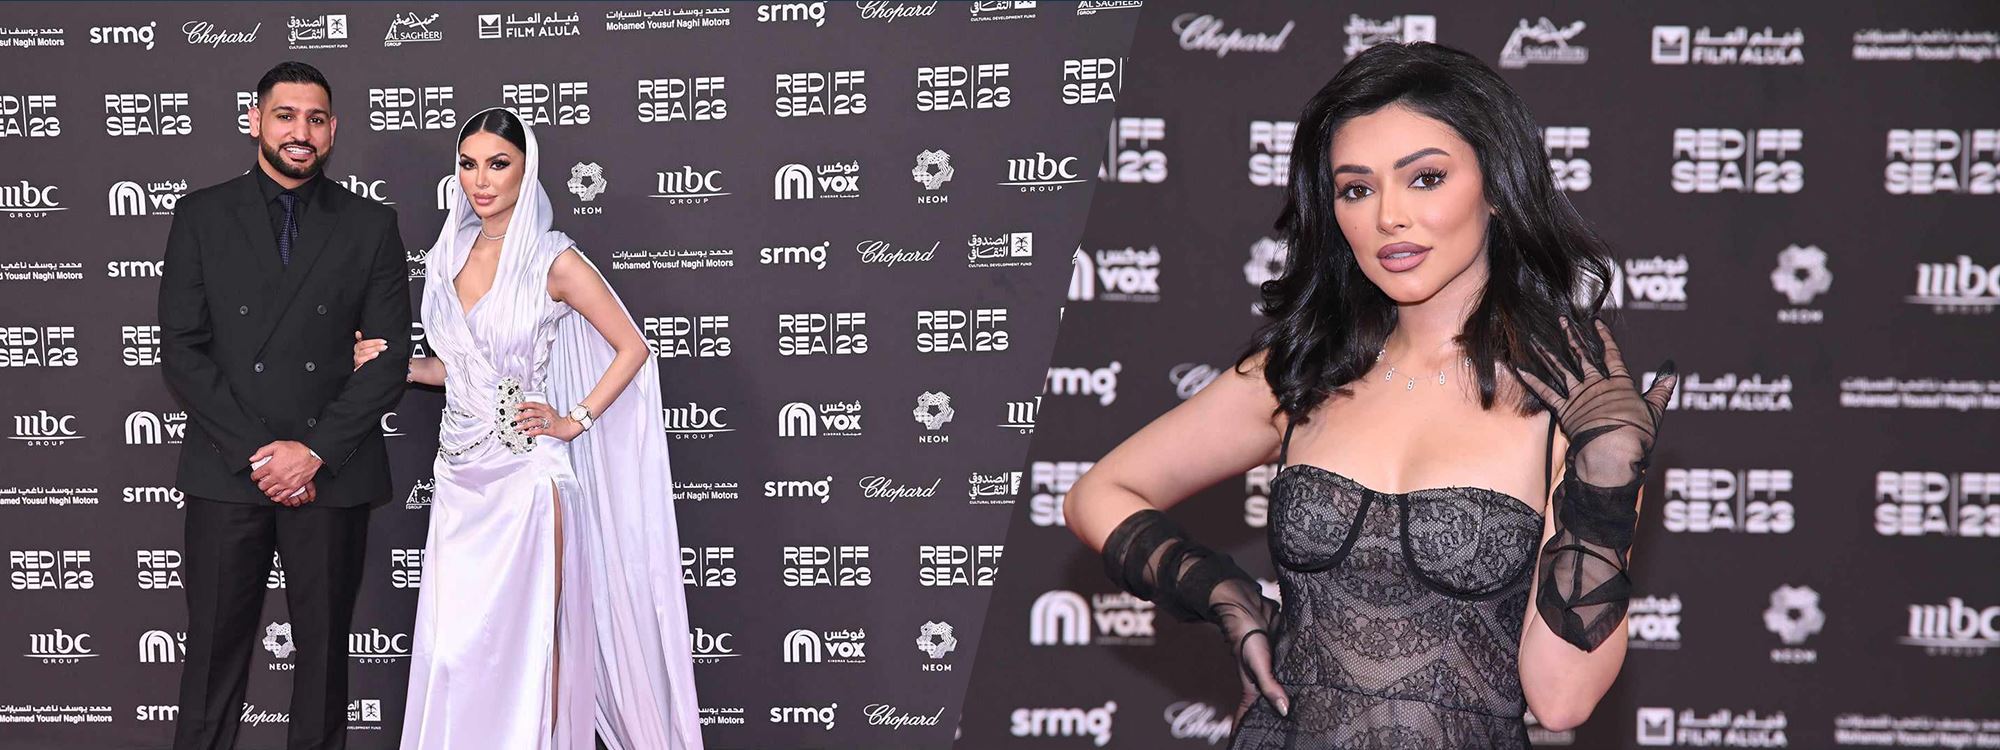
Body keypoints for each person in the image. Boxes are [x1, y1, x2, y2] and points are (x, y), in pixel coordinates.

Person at [1060, 43, 1680, 748]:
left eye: (1426, 179)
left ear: (1496, 187)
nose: (1389, 216)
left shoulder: (1572, 403)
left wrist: (1606, 472)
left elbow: (1562, 700)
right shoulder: (1304, 372)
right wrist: (1229, 598)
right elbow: (1096, 495)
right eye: (1357, 189)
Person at [350, 107, 703, 749]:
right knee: (456, 653)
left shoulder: (552, 258)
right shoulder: (446, 254)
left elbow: (632, 348)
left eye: (498, 164)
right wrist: (398, 366)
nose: (480, 180)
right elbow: (456, 369)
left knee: (532, 652)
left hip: (527, 477)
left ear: (526, 169)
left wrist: (575, 420)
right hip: (460, 477)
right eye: (468, 165)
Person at [159, 61, 412, 750]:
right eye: (286, 115)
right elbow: (182, 350)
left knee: (324, 658)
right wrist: (262, 456)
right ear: (255, 121)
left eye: (316, 119)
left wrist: (313, 452)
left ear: (333, 131)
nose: (301, 132)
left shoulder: (370, 224)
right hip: (228, 470)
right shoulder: (202, 215)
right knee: (212, 656)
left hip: (330, 471)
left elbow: (389, 359)